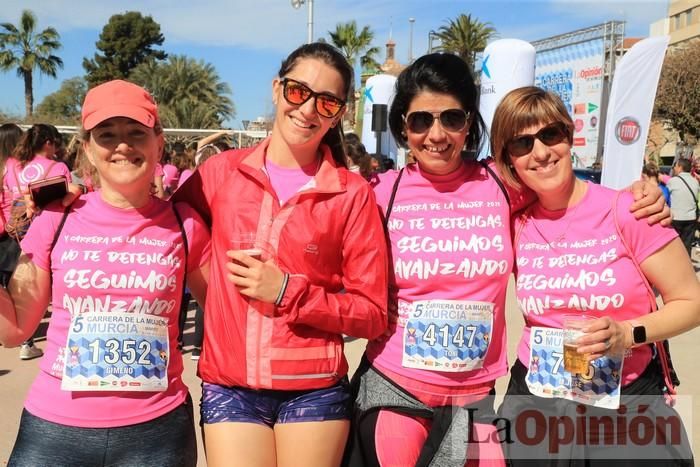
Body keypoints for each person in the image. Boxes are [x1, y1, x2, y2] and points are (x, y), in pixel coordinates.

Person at [346, 54, 670, 467]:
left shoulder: (503, 184)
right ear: (403, 128)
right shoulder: (379, 192)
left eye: (452, 118)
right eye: (420, 121)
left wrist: (641, 194)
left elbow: (560, 183)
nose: (437, 134)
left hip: (477, 394)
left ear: (470, 123)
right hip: (395, 383)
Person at [172, 42, 388, 467]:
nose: (308, 109)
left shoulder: (351, 194)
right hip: (230, 386)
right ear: (277, 89)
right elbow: (168, 219)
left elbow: (371, 313)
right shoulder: (221, 173)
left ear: (339, 113)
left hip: (314, 390)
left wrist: (287, 290)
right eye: (297, 92)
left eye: (326, 102)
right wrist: (208, 290)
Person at [0, 79, 211, 466]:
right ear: (88, 150)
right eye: (107, 135)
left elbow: (223, 314)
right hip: (55, 429)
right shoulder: (56, 218)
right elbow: (14, 331)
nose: (122, 145)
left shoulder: (185, 224)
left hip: (157, 431)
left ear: (158, 144)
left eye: (136, 133)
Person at [491, 86, 697, 466]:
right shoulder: (512, 222)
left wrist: (628, 333)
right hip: (537, 402)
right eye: (522, 143)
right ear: (509, 159)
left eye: (550, 134)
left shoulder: (629, 210)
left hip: (626, 405)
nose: (540, 152)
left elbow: (691, 301)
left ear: (569, 137)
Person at [6, 123, 72, 361]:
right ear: (48, 142)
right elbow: (67, 201)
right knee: (53, 287)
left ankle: (26, 339)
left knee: (24, 288)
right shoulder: (58, 167)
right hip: (50, 233)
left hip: (18, 231)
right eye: (56, 142)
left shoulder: (17, 168)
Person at [666, 158, 699, 256]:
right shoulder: (695, 181)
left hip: (676, 218)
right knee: (687, 245)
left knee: (675, 245)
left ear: (680, 167)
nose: (674, 168)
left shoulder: (672, 181)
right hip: (691, 218)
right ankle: (686, 266)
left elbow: (666, 197)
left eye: (675, 166)